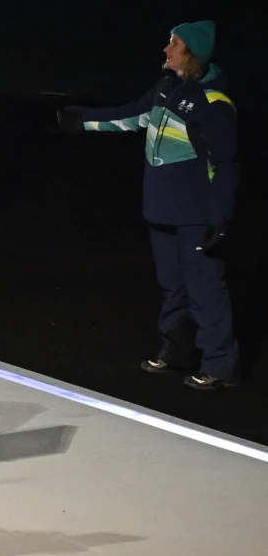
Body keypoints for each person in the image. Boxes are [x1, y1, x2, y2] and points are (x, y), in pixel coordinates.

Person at [58, 21, 239, 390]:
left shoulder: (212, 102)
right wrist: (84, 120)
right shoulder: (166, 89)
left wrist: (220, 216)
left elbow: (227, 163)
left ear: (192, 54)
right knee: (172, 285)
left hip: (196, 216)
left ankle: (220, 366)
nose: (166, 49)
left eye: (174, 44)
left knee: (204, 289)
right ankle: (175, 351)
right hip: (161, 209)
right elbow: (131, 116)